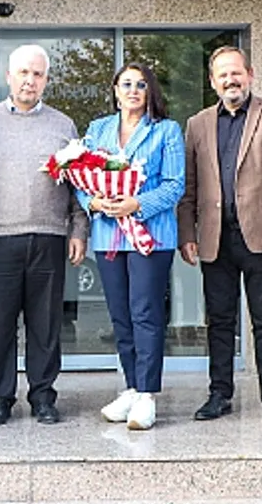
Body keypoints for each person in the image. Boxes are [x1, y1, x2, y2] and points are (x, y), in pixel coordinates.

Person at [0, 44, 88, 426]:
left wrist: (78, 229)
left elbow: (78, 185)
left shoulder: (63, 126)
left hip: (49, 236)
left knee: (46, 323)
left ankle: (42, 396)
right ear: (9, 77)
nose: (29, 80)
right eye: (23, 72)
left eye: (37, 74)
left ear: (46, 80)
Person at [178, 46, 262, 425]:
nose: (230, 80)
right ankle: (219, 394)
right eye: (222, 75)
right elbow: (189, 186)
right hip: (215, 238)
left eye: (236, 73)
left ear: (250, 74)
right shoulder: (198, 124)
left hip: (260, 236)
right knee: (220, 321)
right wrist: (187, 233)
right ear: (213, 82)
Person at [75, 63, 185, 431]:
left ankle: (148, 394)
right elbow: (79, 178)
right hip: (109, 235)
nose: (133, 90)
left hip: (150, 235)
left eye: (141, 84)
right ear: (115, 90)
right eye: (126, 84)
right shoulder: (98, 129)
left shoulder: (166, 130)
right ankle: (132, 386)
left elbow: (174, 185)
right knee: (120, 315)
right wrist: (93, 202)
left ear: (150, 91)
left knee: (145, 313)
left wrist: (136, 204)